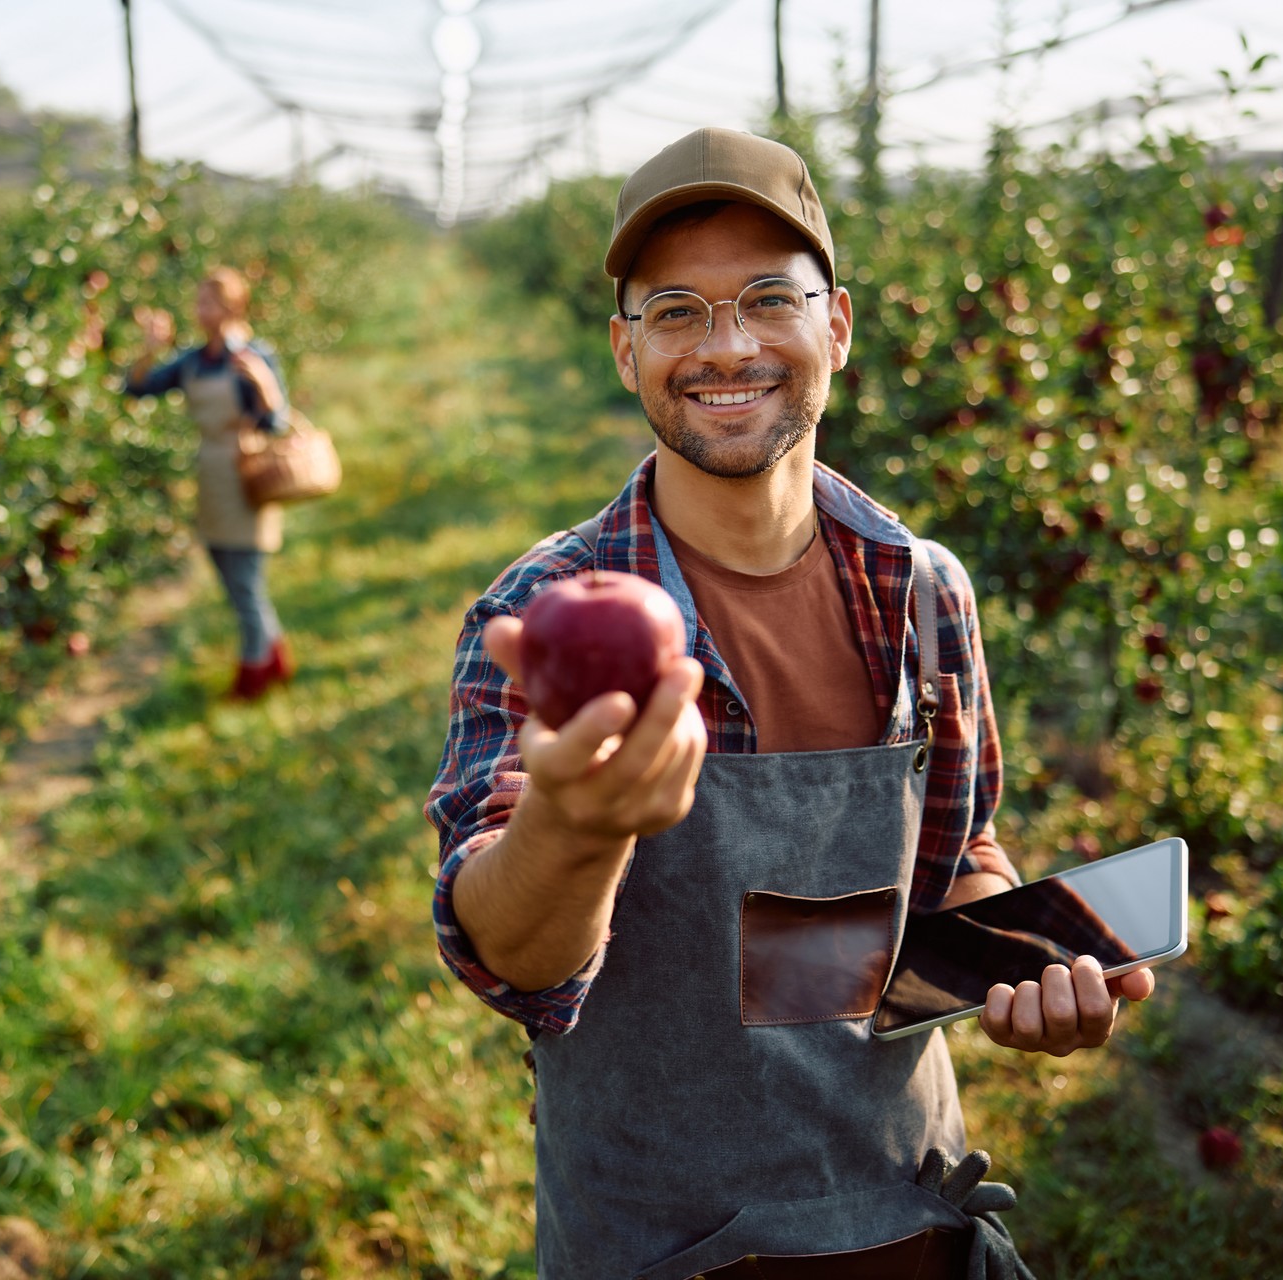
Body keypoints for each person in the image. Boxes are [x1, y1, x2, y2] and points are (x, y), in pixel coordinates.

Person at [424, 127, 1158, 1279]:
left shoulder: (921, 592)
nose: (726, 346)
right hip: (665, 1240)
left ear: (839, 327)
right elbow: (514, 961)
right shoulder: (549, 611)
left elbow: (955, 855)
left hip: (904, 1205)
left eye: (770, 298)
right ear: (625, 350)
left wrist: (1021, 949)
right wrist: (576, 820)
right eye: (676, 311)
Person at [125, 266, 295, 699]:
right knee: (231, 573)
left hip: (247, 473)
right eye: (198, 301)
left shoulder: (253, 355)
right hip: (211, 473)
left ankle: (252, 679)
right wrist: (148, 349)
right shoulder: (194, 359)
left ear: (232, 306)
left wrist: (264, 384)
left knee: (245, 581)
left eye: (208, 302)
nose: (199, 311)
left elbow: (278, 422)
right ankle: (276, 660)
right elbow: (139, 389)